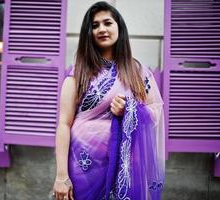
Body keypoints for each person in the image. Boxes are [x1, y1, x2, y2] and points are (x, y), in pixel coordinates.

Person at [53, 1, 165, 200]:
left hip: (125, 169)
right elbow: (63, 124)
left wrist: (129, 109)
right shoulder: (78, 74)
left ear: (119, 28)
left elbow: (155, 111)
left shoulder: (137, 72)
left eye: (107, 23)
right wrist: (61, 176)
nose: (101, 29)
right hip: (81, 169)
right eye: (95, 25)